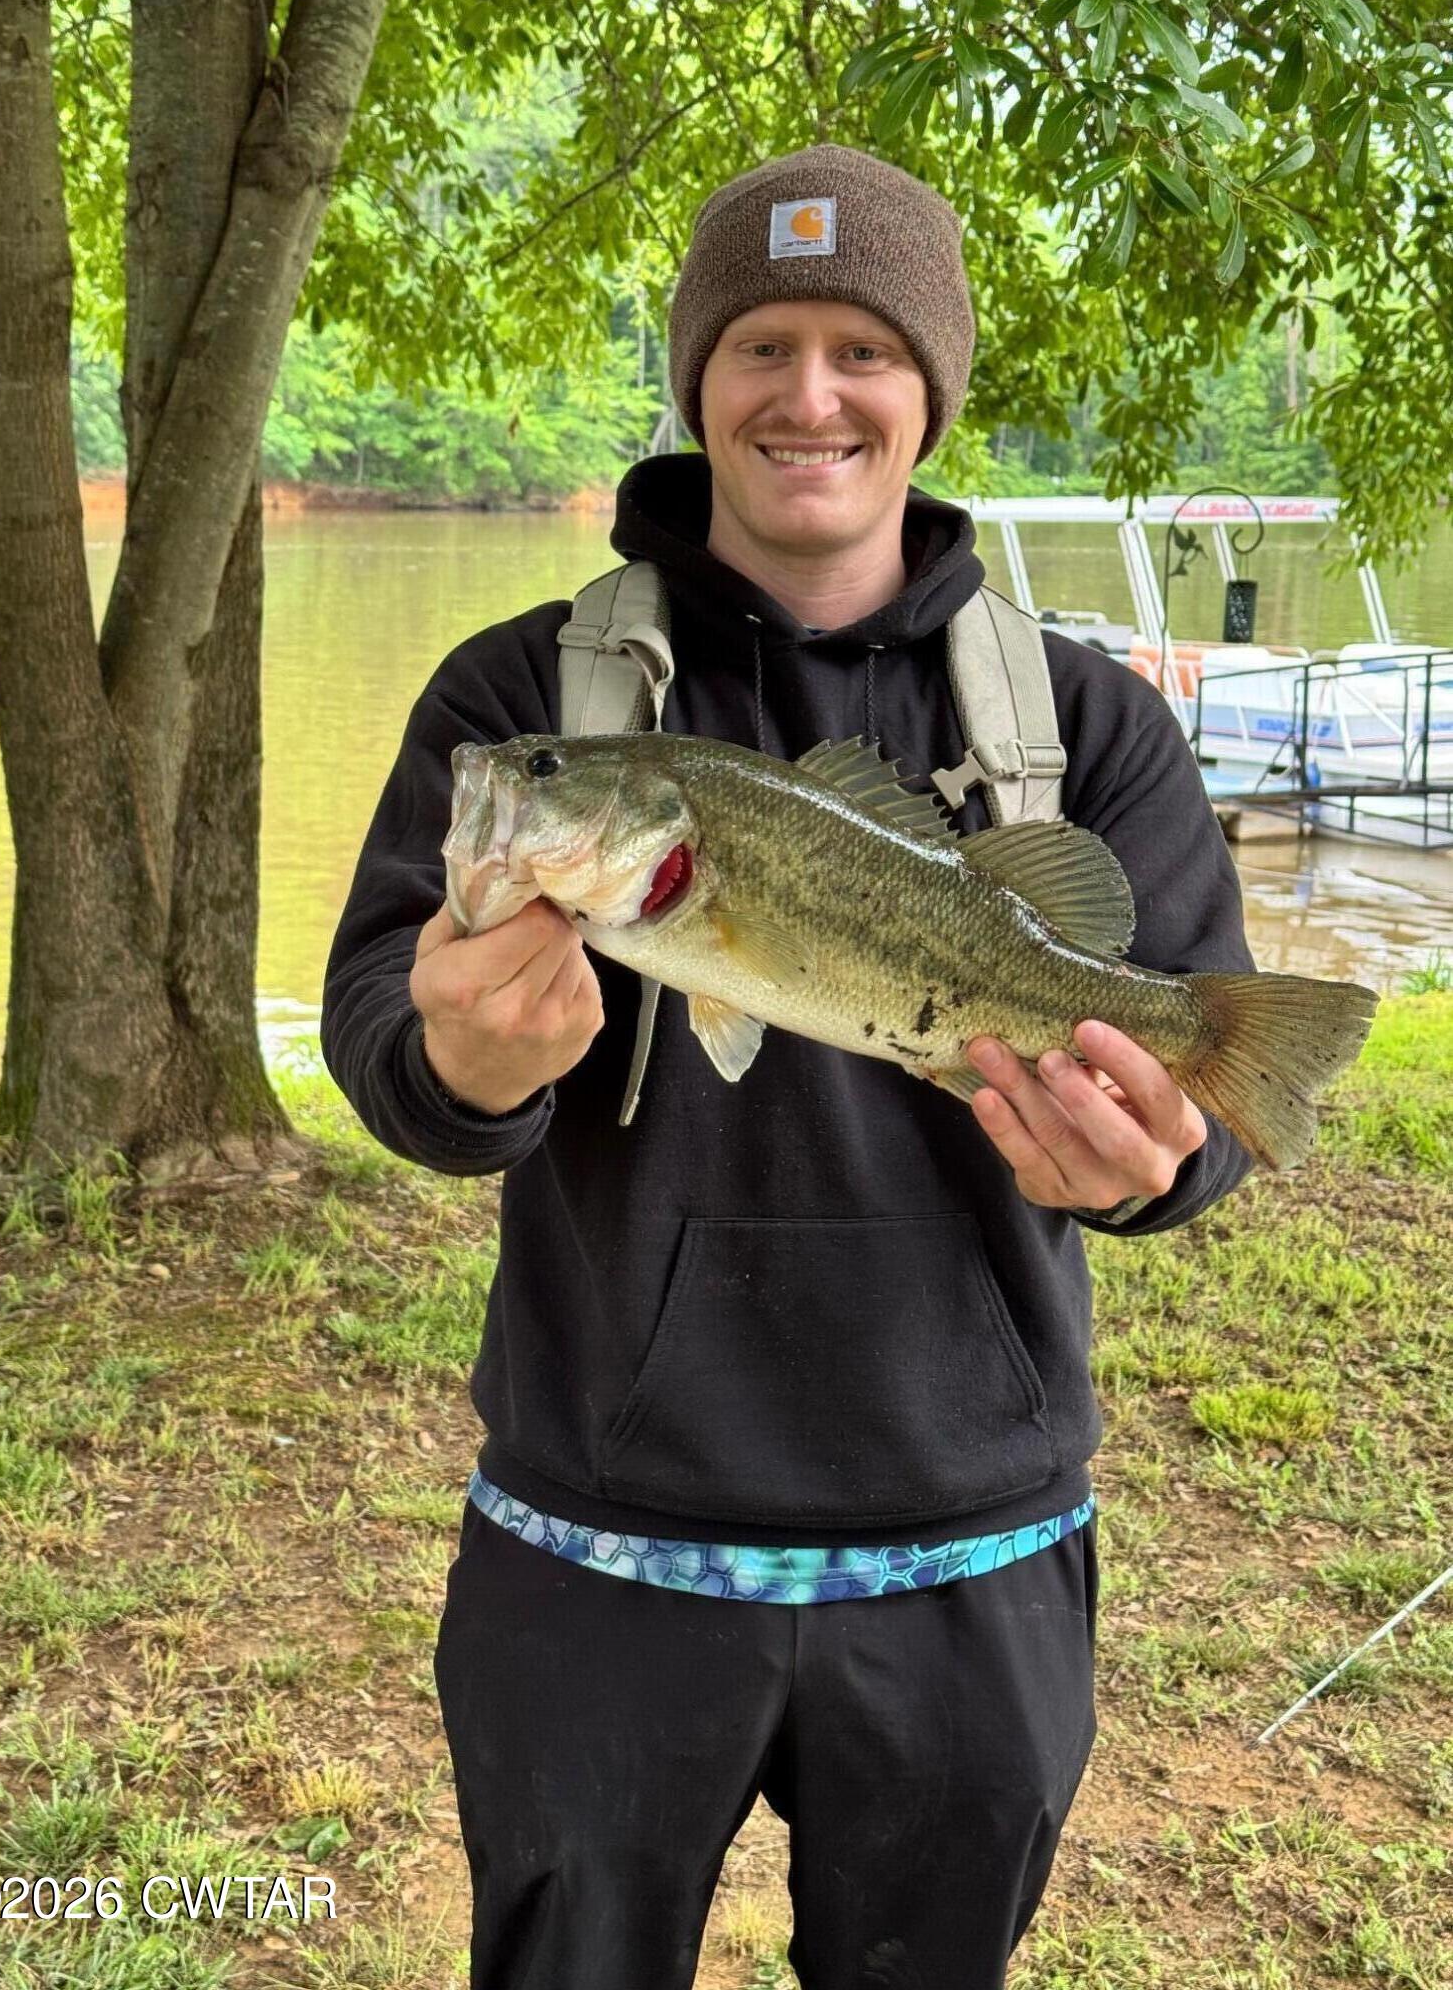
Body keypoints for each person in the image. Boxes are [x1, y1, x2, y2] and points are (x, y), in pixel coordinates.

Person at [321, 143, 1255, 1990]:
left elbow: (1203, 1076)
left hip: (972, 1554)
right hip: (594, 1543)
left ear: (928, 391)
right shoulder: (522, 706)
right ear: (698, 382)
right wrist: (460, 1064)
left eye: (861, 350)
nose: (808, 394)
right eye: (759, 344)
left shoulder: (1085, 723)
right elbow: (379, 1022)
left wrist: (1159, 1158)